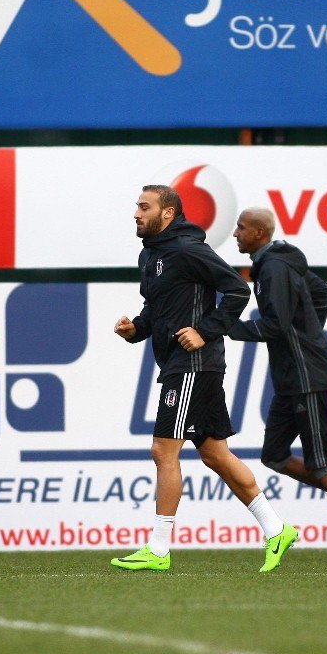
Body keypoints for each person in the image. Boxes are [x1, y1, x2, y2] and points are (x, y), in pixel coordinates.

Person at [110, 186, 297, 573]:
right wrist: (136, 329)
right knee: (214, 453)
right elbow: (155, 309)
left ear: (168, 213)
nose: (136, 214)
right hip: (189, 365)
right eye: (136, 206)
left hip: (193, 364)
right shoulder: (151, 254)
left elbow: (237, 289)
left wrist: (206, 331)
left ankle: (158, 550)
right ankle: (276, 529)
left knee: (164, 451)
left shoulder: (187, 249)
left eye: (144, 207)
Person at [227, 208, 327, 561]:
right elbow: (321, 293)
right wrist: (309, 331)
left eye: (241, 227)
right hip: (292, 377)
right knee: (275, 456)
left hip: (306, 376)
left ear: (260, 233)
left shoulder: (274, 267)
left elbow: (275, 326)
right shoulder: (279, 262)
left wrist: (224, 327)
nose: (235, 233)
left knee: (321, 461)